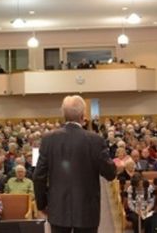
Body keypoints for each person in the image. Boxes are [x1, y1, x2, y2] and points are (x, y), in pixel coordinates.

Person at [33, 95, 117, 233]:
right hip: (87, 210)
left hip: (58, 208)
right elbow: (110, 174)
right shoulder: (95, 140)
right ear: (83, 115)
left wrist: (42, 204)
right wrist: (114, 166)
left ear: (63, 115)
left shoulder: (48, 139)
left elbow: (38, 176)